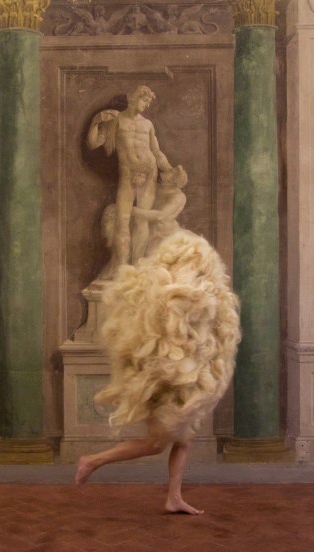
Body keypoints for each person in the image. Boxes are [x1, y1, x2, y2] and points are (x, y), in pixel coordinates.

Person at [75, 230, 241, 515]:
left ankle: (174, 497)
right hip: (165, 381)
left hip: (180, 380)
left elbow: (205, 333)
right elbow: (167, 342)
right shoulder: (171, 295)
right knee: (154, 444)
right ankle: (92, 461)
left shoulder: (188, 291)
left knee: (184, 440)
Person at [86, 85, 179, 272]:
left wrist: (170, 170)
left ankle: (136, 267)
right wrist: (96, 121)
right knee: (122, 221)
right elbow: (93, 143)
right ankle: (122, 270)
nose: (147, 104)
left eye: (149, 102)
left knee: (142, 221)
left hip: (149, 174)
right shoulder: (116, 120)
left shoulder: (148, 124)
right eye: (144, 100)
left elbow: (157, 152)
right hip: (128, 176)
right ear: (131, 98)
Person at [132, 165, 188, 257]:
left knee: (151, 256)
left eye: (171, 171)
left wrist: (134, 211)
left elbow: (159, 215)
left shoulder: (177, 197)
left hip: (164, 234)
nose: (167, 169)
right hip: (150, 228)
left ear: (171, 181)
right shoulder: (158, 187)